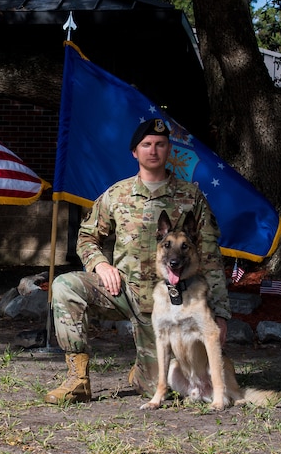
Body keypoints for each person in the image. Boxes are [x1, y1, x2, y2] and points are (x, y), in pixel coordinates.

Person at [44, 118, 231, 404]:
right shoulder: (117, 195)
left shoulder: (191, 197)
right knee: (65, 285)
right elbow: (86, 237)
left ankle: (141, 372)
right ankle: (77, 379)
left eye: (160, 144)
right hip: (122, 291)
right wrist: (101, 264)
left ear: (169, 150)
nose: (153, 150)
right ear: (135, 152)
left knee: (161, 387)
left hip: (170, 305)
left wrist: (220, 314)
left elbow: (210, 257)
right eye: (146, 145)